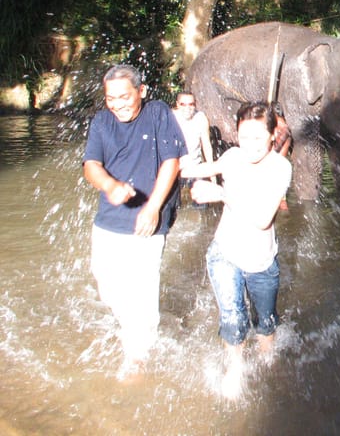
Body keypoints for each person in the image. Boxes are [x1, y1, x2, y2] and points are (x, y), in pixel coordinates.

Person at [181, 101, 292, 398]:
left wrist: (220, 193)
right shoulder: (232, 156)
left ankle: (269, 363)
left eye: (257, 138)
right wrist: (169, 163)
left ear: (272, 136)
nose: (250, 146)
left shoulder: (281, 168)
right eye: (243, 137)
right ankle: (235, 366)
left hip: (261, 261)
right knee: (232, 317)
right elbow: (196, 167)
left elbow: (262, 219)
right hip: (225, 252)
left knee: (266, 324)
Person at [82, 64, 185, 378]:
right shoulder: (101, 121)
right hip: (109, 219)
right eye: (110, 98)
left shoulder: (157, 114)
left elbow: (172, 162)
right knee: (106, 285)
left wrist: (154, 206)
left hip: (149, 219)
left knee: (142, 285)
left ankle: (138, 356)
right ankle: (134, 328)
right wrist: (110, 186)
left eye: (124, 96)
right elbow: (91, 166)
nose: (117, 104)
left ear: (142, 91)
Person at [173, 91, 216, 200]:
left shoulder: (200, 118)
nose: (187, 108)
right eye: (183, 104)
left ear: (195, 104)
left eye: (191, 104)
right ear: (177, 104)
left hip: (195, 168)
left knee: (201, 205)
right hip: (175, 170)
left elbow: (206, 145)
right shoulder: (171, 117)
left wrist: (212, 173)